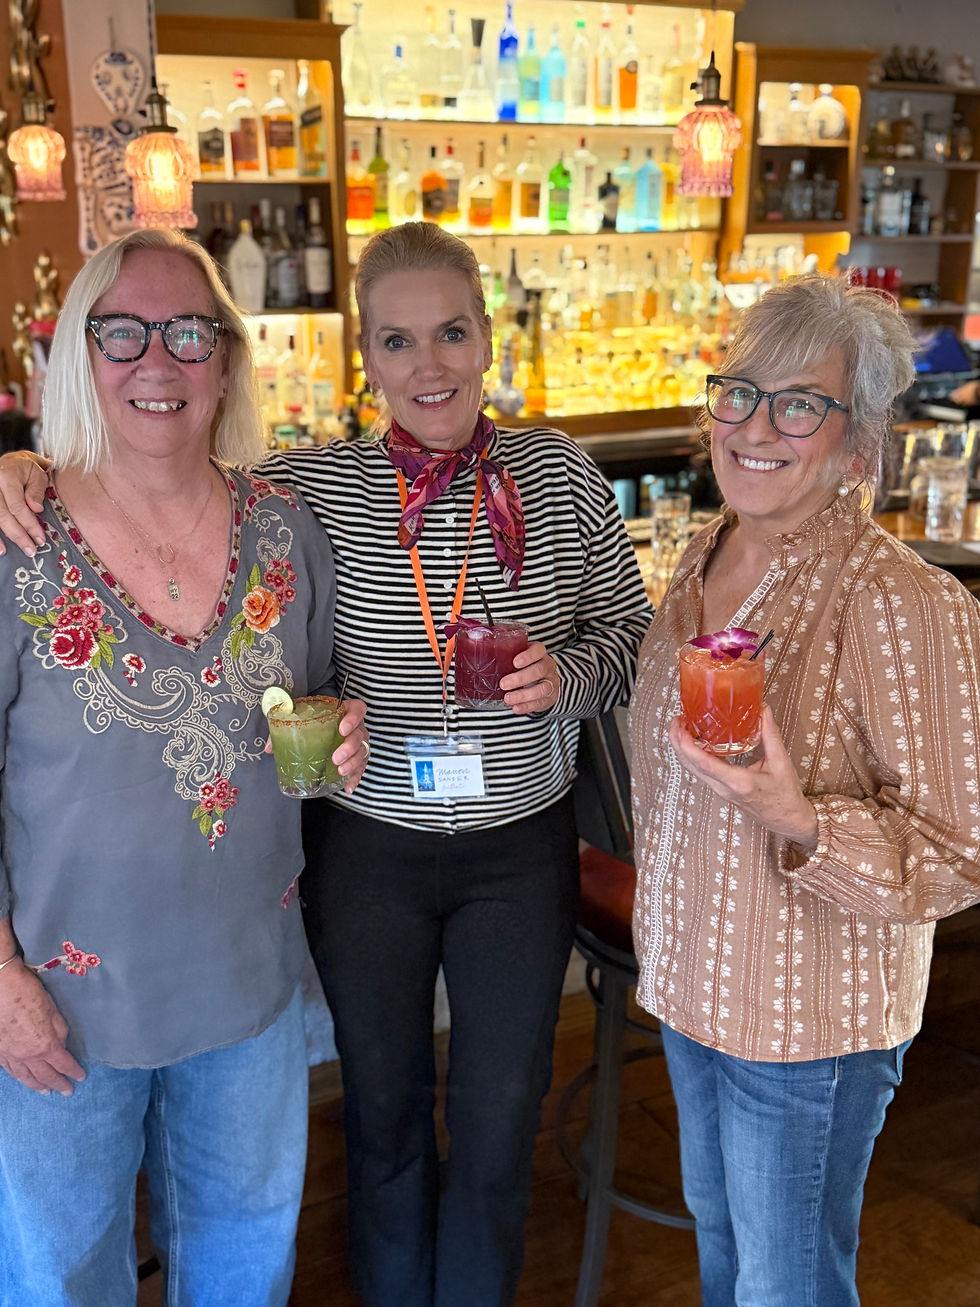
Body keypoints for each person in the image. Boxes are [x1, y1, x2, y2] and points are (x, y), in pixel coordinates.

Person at [0, 221, 652, 1307]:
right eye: (396, 340)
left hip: (503, 851)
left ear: (490, 337)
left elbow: (627, 630)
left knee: (496, 1113)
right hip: (364, 856)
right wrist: (20, 464)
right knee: (377, 1114)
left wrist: (568, 677)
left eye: (451, 332)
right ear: (365, 357)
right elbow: (148, 456)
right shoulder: (314, 489)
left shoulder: (545, 475)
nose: (428, 364)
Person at [0, 227, 368, 1307]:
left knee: (246, 1262)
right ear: (80, 354)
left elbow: (314, 714)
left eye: (188, 332)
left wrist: (341, 745)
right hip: (58, 1001)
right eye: (121, 332)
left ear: (227, 358)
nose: (156, 360)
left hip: (247, 981)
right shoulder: (17, 538)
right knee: (62, 1277)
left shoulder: (285, 529)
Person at [629, 274, 980, 1307]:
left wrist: (797, 816)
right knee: (726, 1254)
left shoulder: (903, 601)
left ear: (857, 443)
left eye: (798, 404)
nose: (753, 427)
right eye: (739, 392)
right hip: (693, 984)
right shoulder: (705, 554)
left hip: (805, 1025)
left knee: (786, 1286)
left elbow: (958, 853)